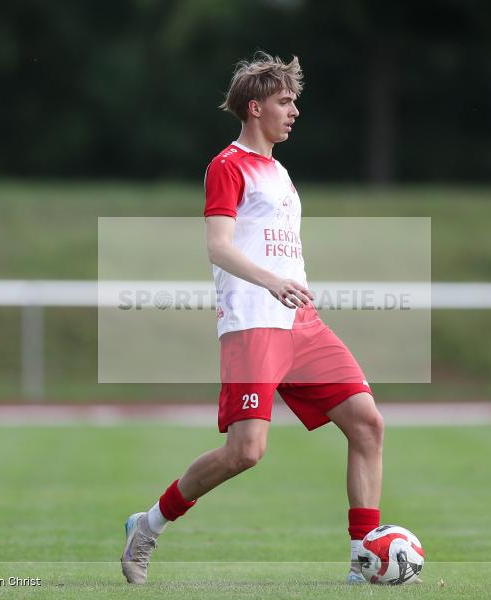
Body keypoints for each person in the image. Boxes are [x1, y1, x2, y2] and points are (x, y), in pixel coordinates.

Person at [120, 52, 384, 585]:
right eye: (286, 102)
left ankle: (364, 557)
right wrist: (273, 282)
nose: (295, 112)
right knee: (246, 452)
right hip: (253, 322)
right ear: (255, 107)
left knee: (367, 423)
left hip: (300, 323)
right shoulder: (227, 166)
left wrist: (293, 288)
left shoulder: (280, 172)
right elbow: (218, 248)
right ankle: (147, 525)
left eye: (295, 102)